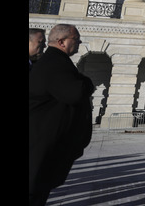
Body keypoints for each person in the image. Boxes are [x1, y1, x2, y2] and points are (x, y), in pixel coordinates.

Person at [29, 24, 94, 206]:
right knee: (35, 190)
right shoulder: (55, 63)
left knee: (39, 189)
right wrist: (87, 83)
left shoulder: (55, 61)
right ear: (62, 42)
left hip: (44, 139)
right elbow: (74, 93)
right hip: (40, 141)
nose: (79, 44)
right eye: (76, 40)